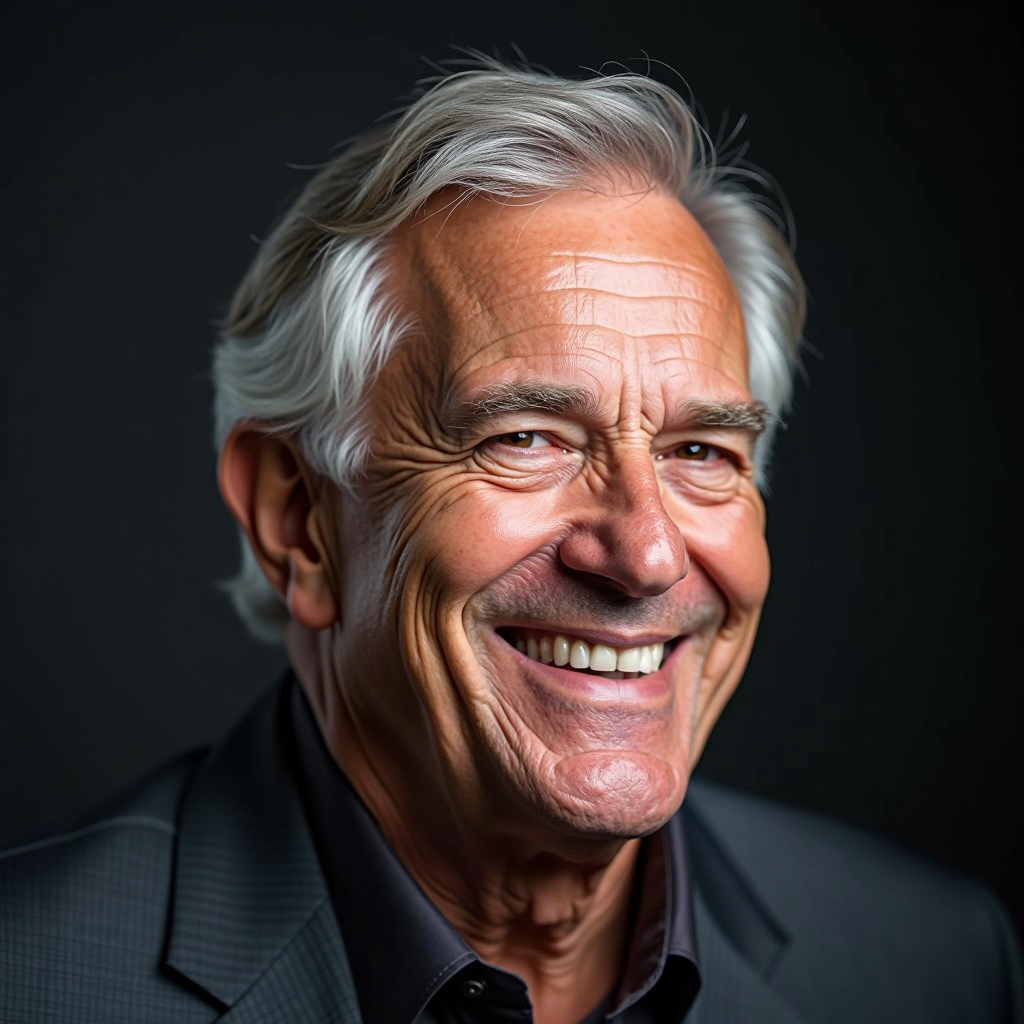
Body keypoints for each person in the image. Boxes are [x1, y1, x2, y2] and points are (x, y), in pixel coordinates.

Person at [1, 54, 1021, 1024]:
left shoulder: (933, 963)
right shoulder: (29, 977)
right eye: (525, 438)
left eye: (701, 451)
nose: (647, 554)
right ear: (298, 520)